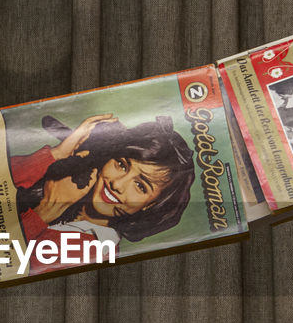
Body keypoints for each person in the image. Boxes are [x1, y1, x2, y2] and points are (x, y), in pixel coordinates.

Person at [10, 112, 195, 275]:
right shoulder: (63, 182)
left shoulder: (97, 252)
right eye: (121, 164)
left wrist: (46, 211)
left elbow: (3, 259)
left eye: (140, 186)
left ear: (151, 205)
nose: (117, 184)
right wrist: (56, 154)